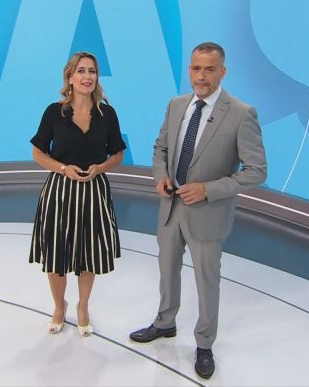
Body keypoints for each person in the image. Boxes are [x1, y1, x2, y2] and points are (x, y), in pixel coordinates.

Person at [129, 42, 267, 379]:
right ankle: (165, 322)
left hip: (208, 215)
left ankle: (204, 344)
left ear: (223, 72)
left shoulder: (241, 113)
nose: (201, 76)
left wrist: (208, 190)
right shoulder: (176, 105)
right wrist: (161, 177)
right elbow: (161, 148)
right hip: (170, 209)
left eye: (209, 69)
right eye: (195, 68)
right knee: (167, 270)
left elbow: (256, 171)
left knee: (207, 281)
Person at [29, 51, 126, 337]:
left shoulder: (107, 114)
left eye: (92, 71)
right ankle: (59, 306)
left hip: (94, 192)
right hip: (60, 191)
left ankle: (83, 306)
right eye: (81, 71)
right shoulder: (54, 112)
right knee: (56, 254)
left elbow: (117, 154)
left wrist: (100, 168)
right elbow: (38, 154)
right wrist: (62, 168)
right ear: (70, 78)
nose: (87, 76)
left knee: (90, 252)